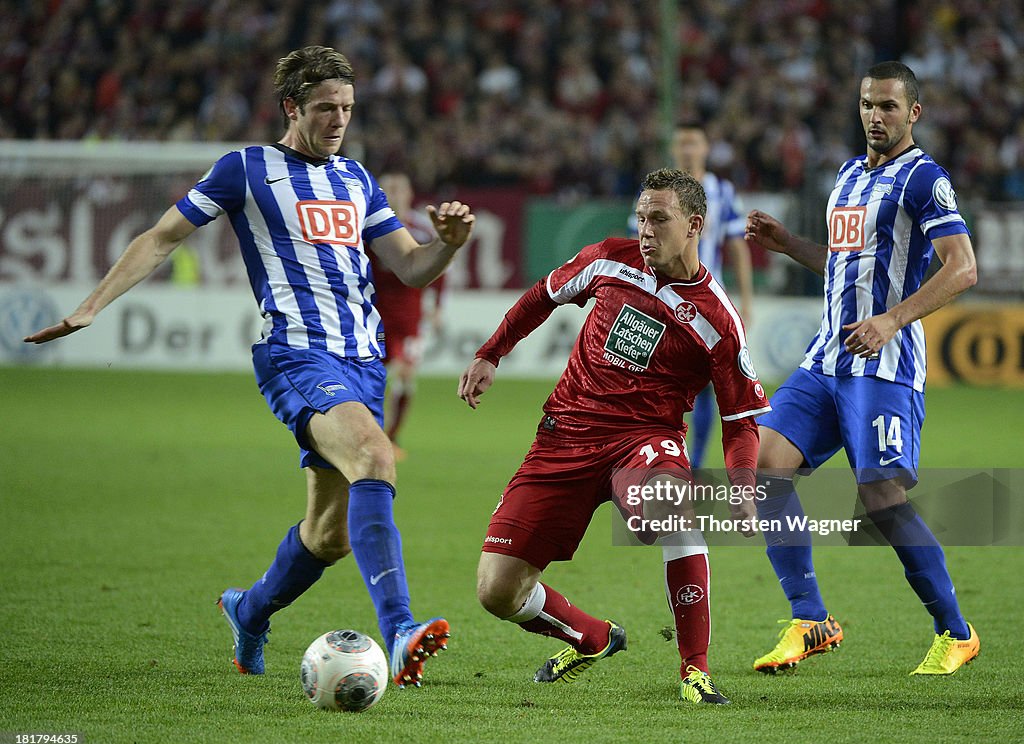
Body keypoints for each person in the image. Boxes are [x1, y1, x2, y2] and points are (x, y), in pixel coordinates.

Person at [24, 45, 475, 689]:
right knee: (376, 456)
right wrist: (92, 305)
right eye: (325, 108)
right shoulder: (246, 168)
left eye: (347, 108)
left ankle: (249, 610)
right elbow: (162, 236)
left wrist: (448, 247)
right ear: (292, 106)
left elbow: (409, 265)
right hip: (296, 353)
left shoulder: (356, 180)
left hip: (364, 362)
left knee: (330, 535)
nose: (339, 120)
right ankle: (401, 630)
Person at [459, 168, 771, 704]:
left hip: (643, 439)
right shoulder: (608, 258)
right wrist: (491, 351)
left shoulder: (718, 319)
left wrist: (742, 483)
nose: (645, 229)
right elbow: (542, 296)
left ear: (694, 225)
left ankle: (694, 668)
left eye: (659, 219)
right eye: (641, 217)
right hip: (565, 434)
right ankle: (590, 637)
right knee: (496, 590)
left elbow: (740, 419)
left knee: (670, 508)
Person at [744, 61, 979, 676]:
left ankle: (956, 632)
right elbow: (846, 264)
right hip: (826, 357)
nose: (876, 116)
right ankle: (809, 620)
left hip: (884, 363)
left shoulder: (924, 180)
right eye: (868, 105)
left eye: (889, 107)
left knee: (880, 499)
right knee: (765, 467)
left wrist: (891, 321)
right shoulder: (847, 176)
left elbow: (963, 268)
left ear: (914, 114)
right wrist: (789, 244)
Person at [629, 123, 754, 470]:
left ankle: (693, 463)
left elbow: (737, 248)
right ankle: (649, 453)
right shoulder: (654, 193)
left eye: (693, 142)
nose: (687, 149)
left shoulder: (723, 191)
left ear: (705, 148)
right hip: (658, 301)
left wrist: (745, 301)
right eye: (681, 142)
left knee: (706, 387)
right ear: (673, 148)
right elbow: (634, 245)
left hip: (702, 303)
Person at [371, 172, 446, 459]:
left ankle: (391, 437)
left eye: (398, 188)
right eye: (388, 188)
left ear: (409, 193)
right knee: (371, 378)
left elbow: (440, 271)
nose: (394, 193)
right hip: (373, 317)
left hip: (408, 319)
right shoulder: (369, 228)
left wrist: (437, 306)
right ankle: (370, 434)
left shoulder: (423, 231)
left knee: (404, 375)